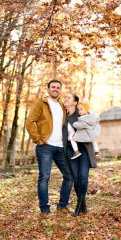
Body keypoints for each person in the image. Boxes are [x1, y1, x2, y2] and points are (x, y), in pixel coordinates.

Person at [26, 79, 72, 214]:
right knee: (44, 177)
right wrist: (38, 139)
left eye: (58, 87)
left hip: (61, 147)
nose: (55, 89)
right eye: (53, 87)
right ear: (48, 89)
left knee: (69, 175)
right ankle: (44, 209)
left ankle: (62, 206)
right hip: (45, 146)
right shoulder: (41, 103)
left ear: (60, 90)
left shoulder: (62, 105)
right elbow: (30, 122)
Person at [63, 94, 97, 216]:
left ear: (75, 102)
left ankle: (79, 205)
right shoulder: (64, 117)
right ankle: (82, 205)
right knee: (76, 178)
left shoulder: (83, 113)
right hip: (70, 149)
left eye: (68, 98)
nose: (65, 99)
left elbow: (95, 125)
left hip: (85, 148)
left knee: (83, 177)